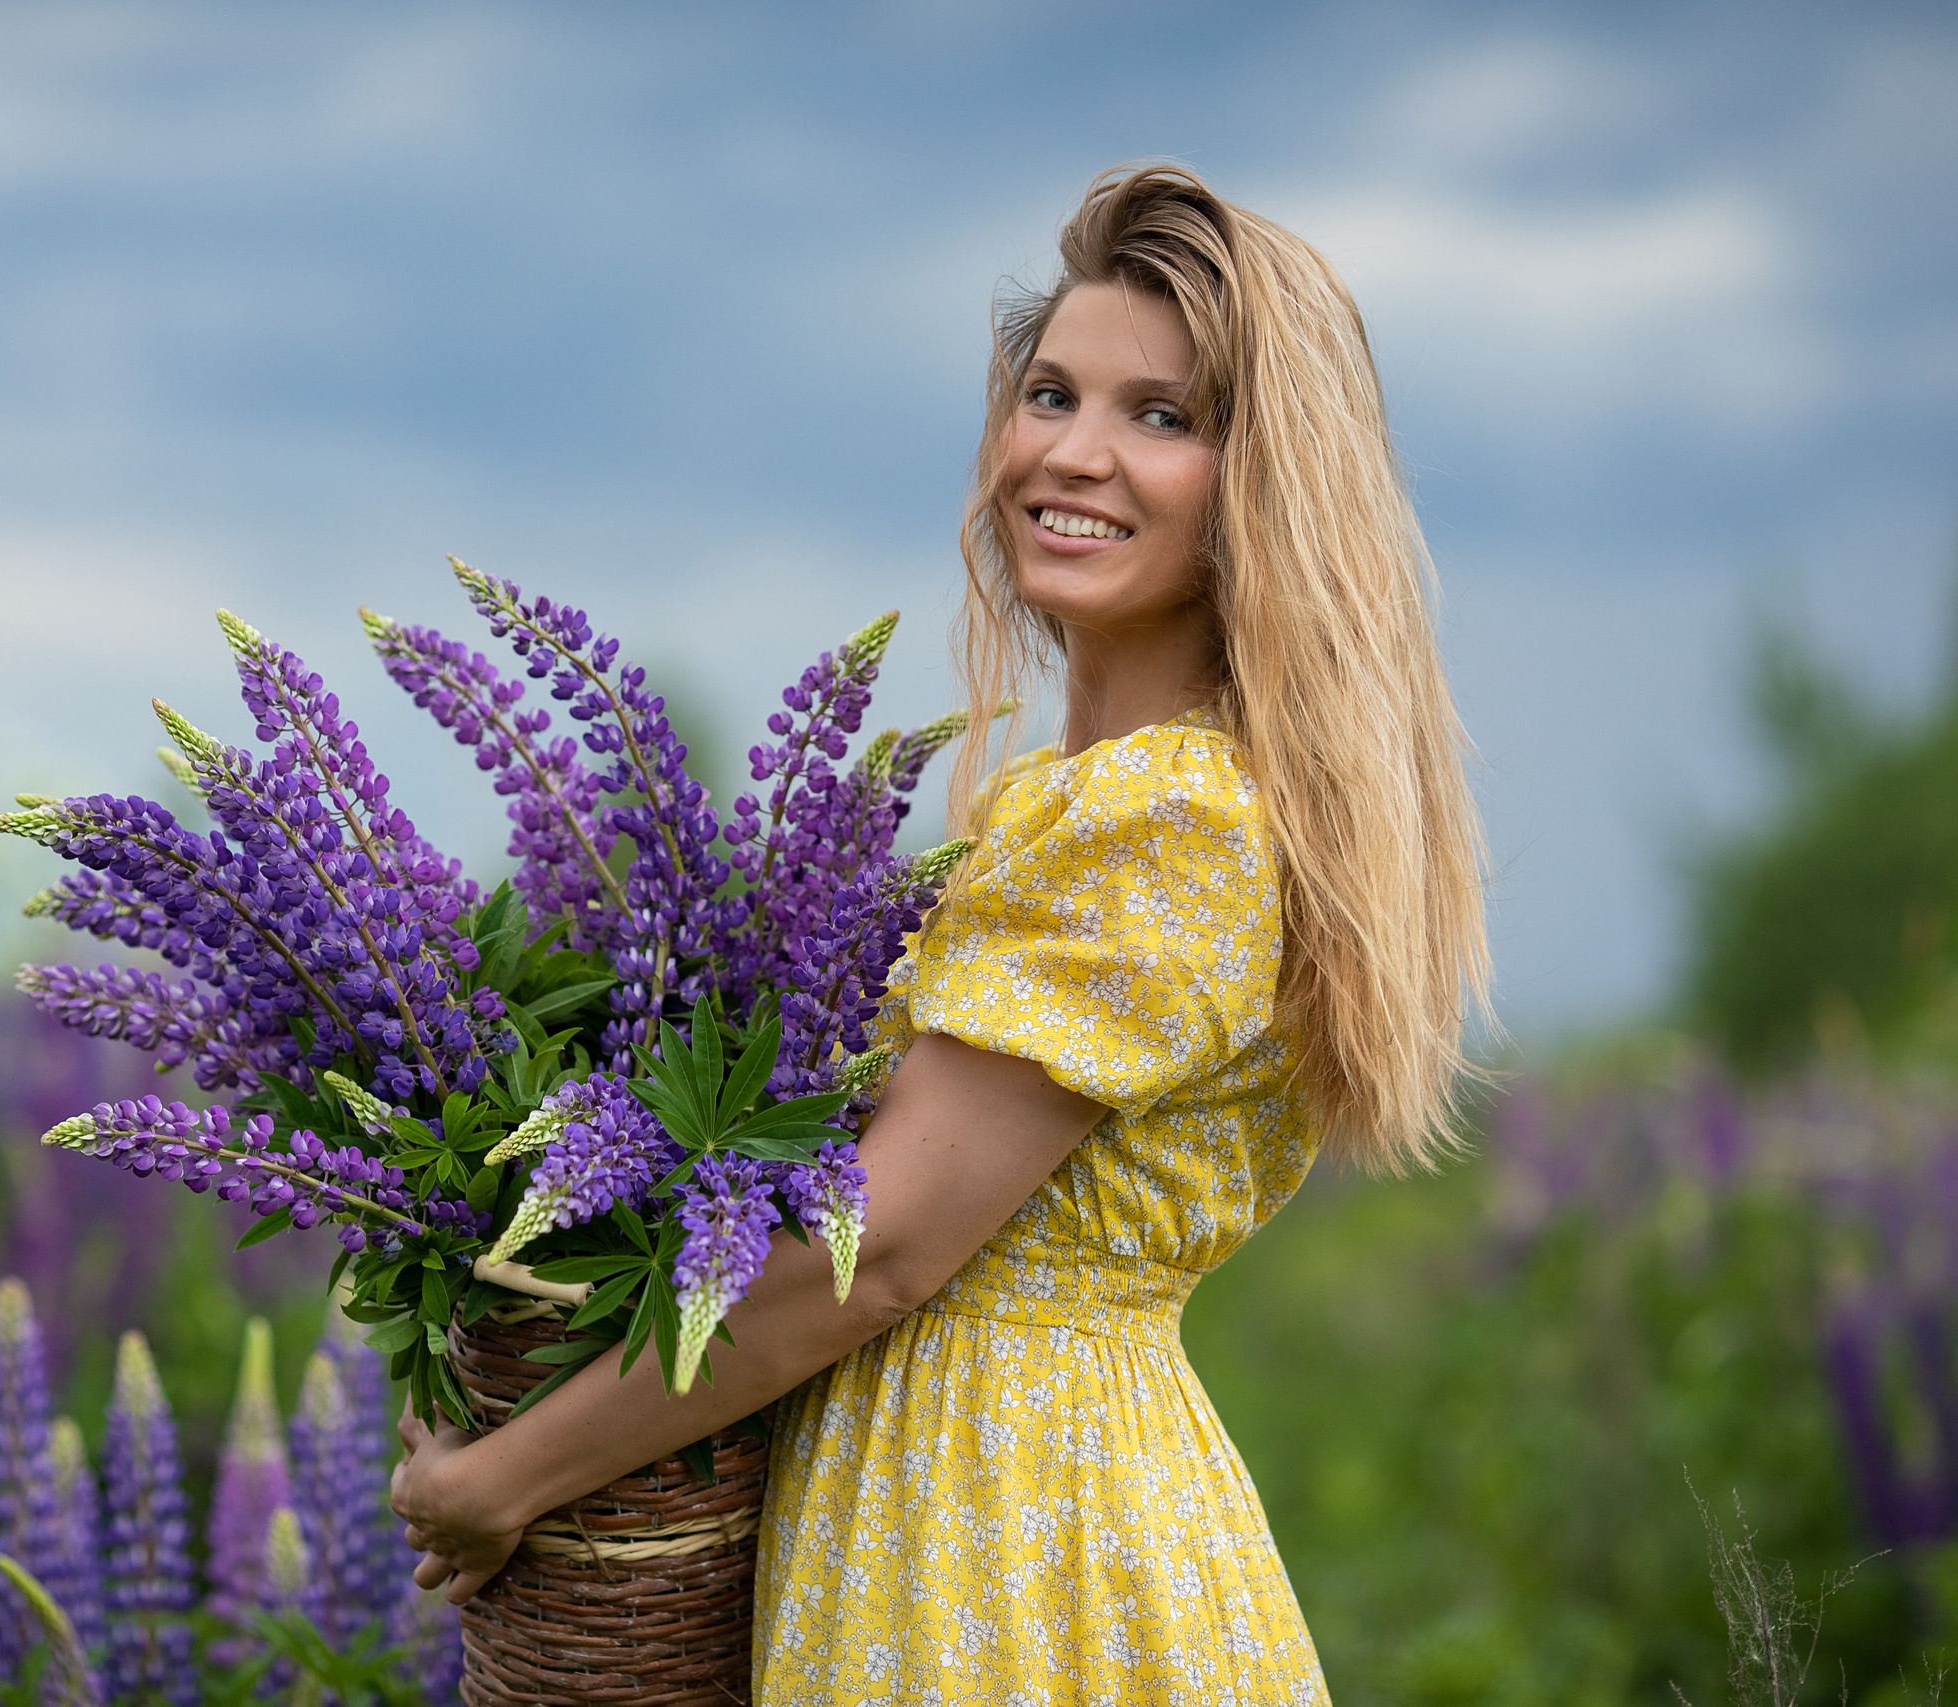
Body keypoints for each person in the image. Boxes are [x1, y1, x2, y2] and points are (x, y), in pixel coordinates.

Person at [392, 162, 1490, 1702]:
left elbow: (886, 1248)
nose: (1075, 453)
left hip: (1008, 1538)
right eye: (1051, 393)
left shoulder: (1162, 819)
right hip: (967, 1497)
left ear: (1263, 486)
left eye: (1162, 417)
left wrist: (507, 1474)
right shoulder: (1064, 801)